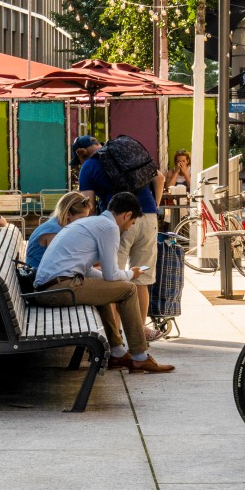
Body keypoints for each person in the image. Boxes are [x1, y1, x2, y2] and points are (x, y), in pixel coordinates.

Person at [34, 192, 175, 373]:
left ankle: (117, 352)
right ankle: (140, 357)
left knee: (108, 291)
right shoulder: (109, 228)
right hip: (59, 289)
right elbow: (112, 274)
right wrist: (131, 273)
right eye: (131, 224)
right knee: (129, 289)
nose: (128, 228)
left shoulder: (91, 222)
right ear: (127, 215)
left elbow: (89, 271)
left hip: (50, 288)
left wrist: (119, 277)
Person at [78, 135, 162, 338]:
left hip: (119, 222)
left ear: (81, 153)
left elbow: (86, 206)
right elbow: (159, 177)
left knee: (111, 279)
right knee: (140, 277)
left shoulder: (88, 166)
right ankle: (140, 330)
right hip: (149, 215)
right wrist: (154, 206)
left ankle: (114, 334)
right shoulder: (126, 154)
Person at [25, 190, 94, 272]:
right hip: (43, 279)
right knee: (108, 281)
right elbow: (59, 266)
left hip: (51, 275)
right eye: (81, 218)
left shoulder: (56, 224)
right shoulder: (54, 232)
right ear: (68, 214)